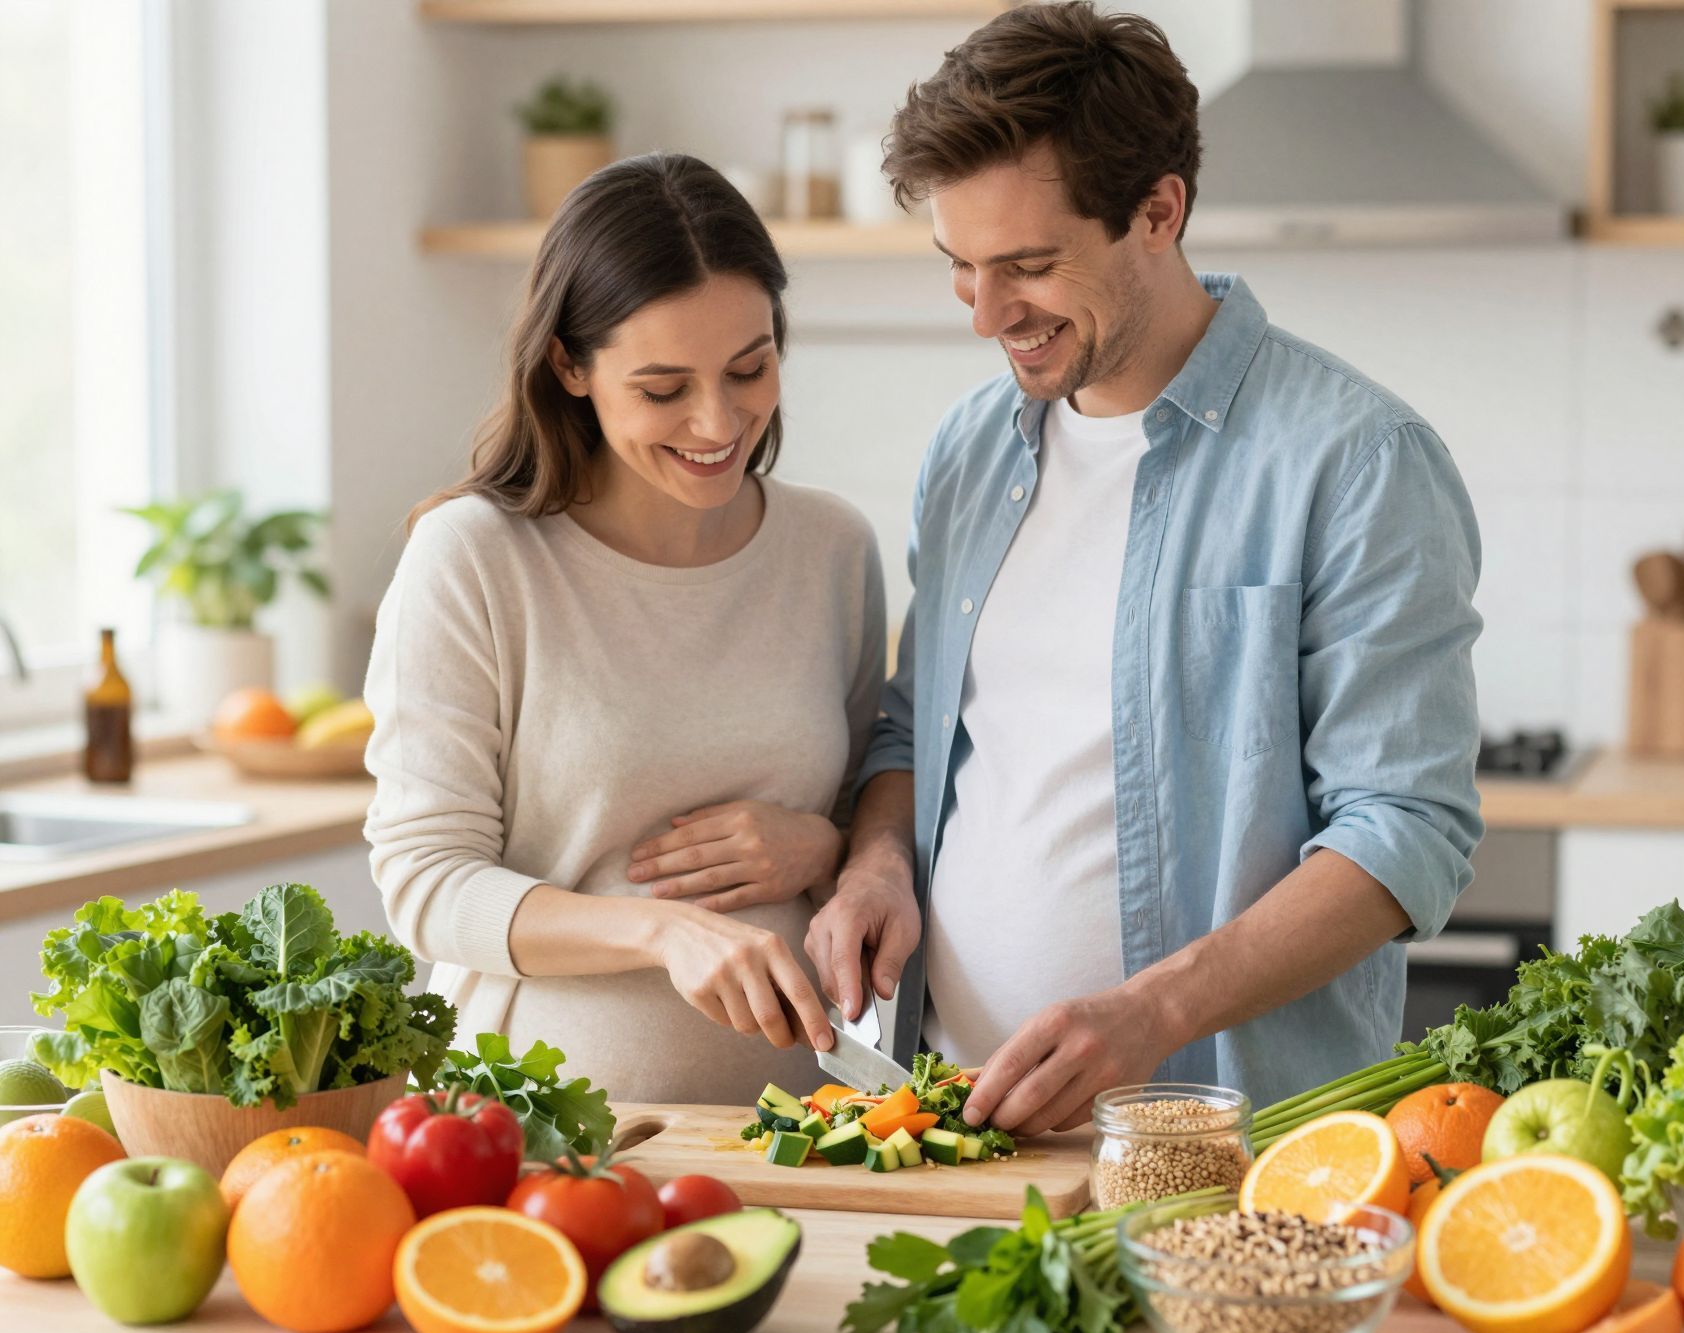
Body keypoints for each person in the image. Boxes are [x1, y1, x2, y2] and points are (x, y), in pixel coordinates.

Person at [806, 2, 1484, 1135]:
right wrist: (875, 861)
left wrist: (1148, 1013)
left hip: (1223, 1142)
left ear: (1157, 211)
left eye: (1026, 266)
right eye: (959, 268)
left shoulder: (1355, 460)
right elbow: (916, 731)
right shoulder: (971, 449)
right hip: (954, 1124)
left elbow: (1402, 830)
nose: (985, 316)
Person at [365, 154, 884, 1107]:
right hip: (534, 1138)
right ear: (570, 364)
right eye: (662, 389)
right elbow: (425, 883)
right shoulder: (475, 558)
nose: (718, 420)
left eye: (749, 368)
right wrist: (659, 931)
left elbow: (876, 822)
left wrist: (819, 847)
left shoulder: (832, 550)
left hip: (805, 1130)